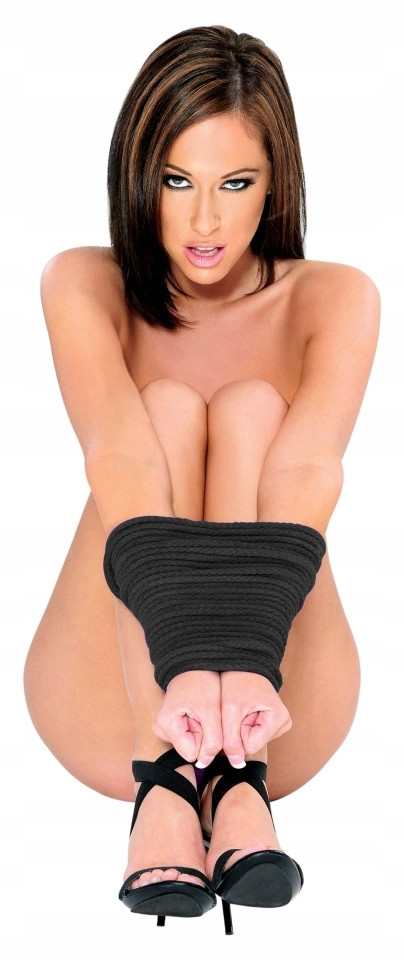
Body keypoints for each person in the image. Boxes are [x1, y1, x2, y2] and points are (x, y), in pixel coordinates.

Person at [23, 25, 380, 934]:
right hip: (116, 699)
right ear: (138, 175)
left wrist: (243, 668)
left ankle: (239, 777)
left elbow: (309, 469)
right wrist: (185, 664)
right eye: (178, 182)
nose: (206, 223)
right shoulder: (83, 282)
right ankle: (167, 782)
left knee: (255, 413)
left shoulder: (336, 297)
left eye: (236, 183)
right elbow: (118, 455)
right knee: (168, 412)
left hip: (280, 700)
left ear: (277, 183)